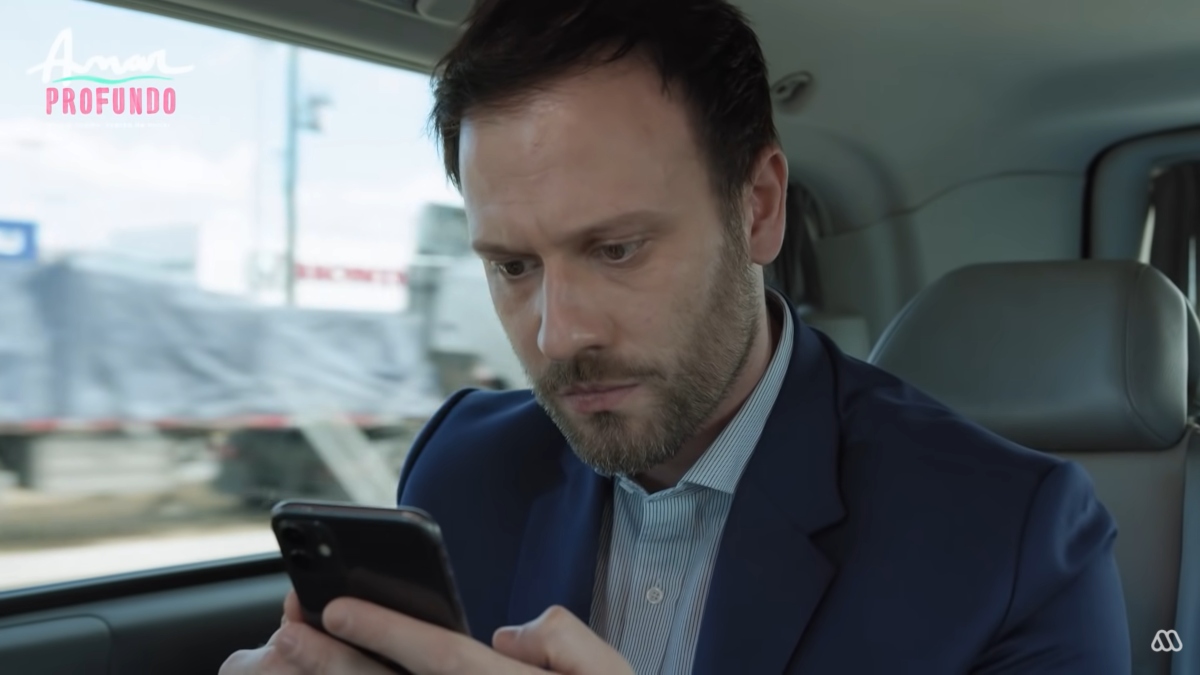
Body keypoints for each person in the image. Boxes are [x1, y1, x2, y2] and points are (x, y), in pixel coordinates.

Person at [221, 0, 1132, 672]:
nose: (559, 333)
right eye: (514, 265)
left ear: (759, 208)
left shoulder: (1011, 540)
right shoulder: (463, 467)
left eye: (616, 248)